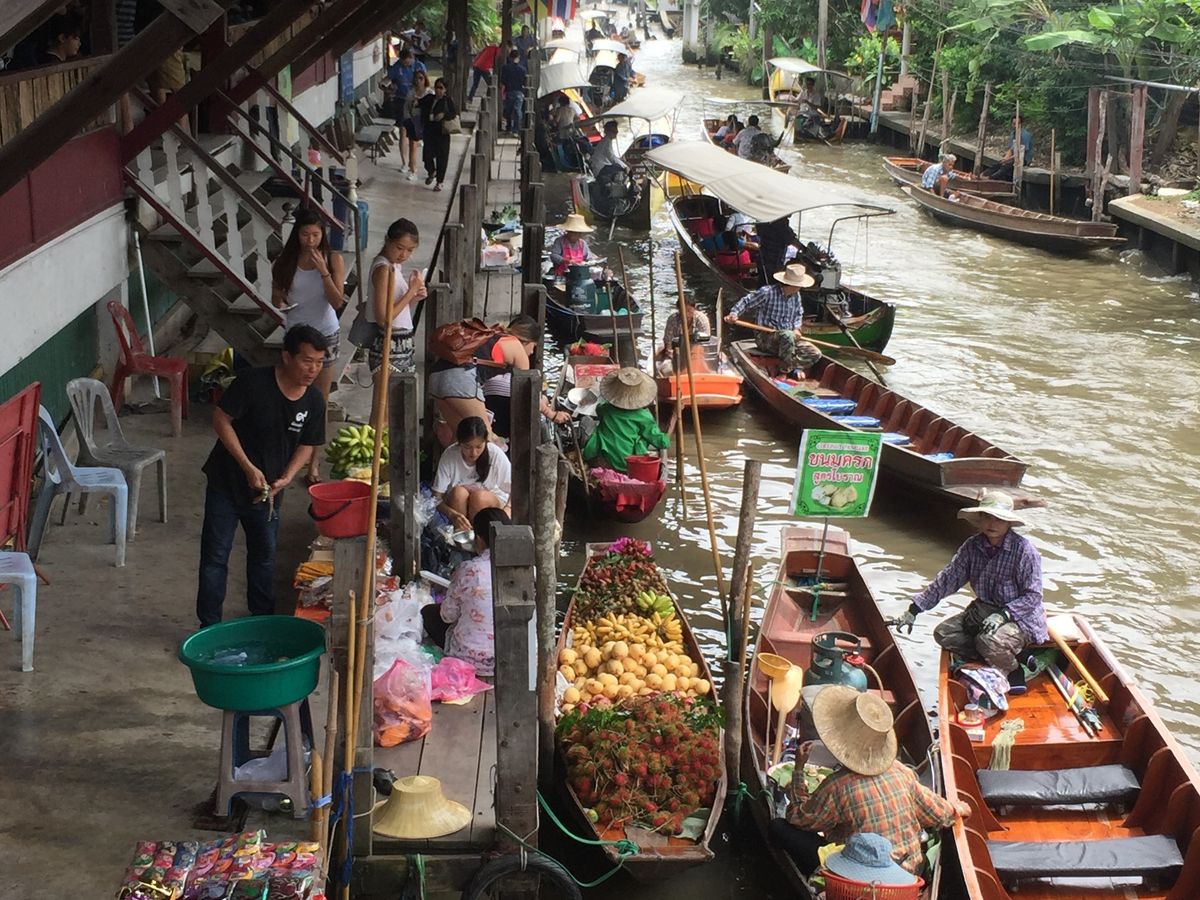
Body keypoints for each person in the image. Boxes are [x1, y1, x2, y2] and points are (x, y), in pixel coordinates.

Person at [196, 326, 327, 627]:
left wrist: (287, 477)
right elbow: (221, 419)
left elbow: (308, 444)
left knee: (264, 558)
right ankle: (209, 625)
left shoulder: (314, 401)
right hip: (226, 484)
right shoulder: (252, 383)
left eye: (319, 362)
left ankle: (262, 620)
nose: (313, 369)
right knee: (215, 556)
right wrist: (247, 466)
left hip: (268, 493)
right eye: (307, 361)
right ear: (287, 357)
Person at [768, 685, 966, 876]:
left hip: (862, 876)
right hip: (909, 871)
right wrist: (959, 808)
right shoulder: (901, 772)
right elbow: (939, 813)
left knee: (779, 827)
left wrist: (799, 770)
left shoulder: (837, 786)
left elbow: (799, 819)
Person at [893, 490, 1046, 690]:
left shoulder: (1024, 551)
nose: (992, 524)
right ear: (980, 519)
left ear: (1008, 523)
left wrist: (1004, 615)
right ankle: (1013, 655)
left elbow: (1033, 596)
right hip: (984, 612)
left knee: (987, 641)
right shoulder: (972, 547)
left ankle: (1014, 670)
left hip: (1021, 617)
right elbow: (947, 580)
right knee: (943, 634)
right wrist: (914, 610)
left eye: (999, 519)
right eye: (987, 517)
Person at [270, 210, 346, 482]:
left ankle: (313, 462)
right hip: (296, 334)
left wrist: (323, 272)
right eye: (305, 234)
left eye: (316, 235)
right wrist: (281, 299)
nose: (310, 240)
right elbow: (276, 297)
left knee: (319, 400)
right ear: (297, 235)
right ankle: (288, 455)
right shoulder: (285, 261)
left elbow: (337, 302)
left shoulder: (333, 259)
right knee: (290, 394)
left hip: (325, 334)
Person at [423, 507, 512, 675]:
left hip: (471, 660)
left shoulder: (469, 569)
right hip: (515, 656)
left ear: (478, 539)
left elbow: (447, 616)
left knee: (428, 613)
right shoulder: (528, 570)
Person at [479, 315, 572, 438]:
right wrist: (552, 414)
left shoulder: (498, 339)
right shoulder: (517, 349)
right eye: (533, 346)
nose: (532, 352)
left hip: (487, 404)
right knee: (541, 423)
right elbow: (529, 393)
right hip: (503, 418)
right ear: (526, 341)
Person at [725, 264, 822, 377]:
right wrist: (734, 314)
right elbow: (746, 301)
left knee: (815, 353)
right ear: (793, 284)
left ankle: (790, 366)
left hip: (788, 340)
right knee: (787, 335)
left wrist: (796, 328)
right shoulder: (768, 292)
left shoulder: (796, 296)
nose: (800, 288)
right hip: (767, 338)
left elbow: (798, 315)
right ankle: (784, 372)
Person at [366, 218, 426, 375]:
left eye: (410, 250)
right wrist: (411, 291)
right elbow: (384, 319)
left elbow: (397, 309)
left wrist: (414, 296)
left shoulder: (394, 266)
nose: (404, 255)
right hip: (389, 343)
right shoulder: (383, 269)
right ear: (387, 241)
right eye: (399, 248)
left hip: (402, 341)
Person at [432, 417, 512, 531]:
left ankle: (481, 533)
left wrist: (508, 509)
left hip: (490, 503)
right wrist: (453, 515)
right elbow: (436, 497)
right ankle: (463, 531)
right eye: (467, 447)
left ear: (486, 442)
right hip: (460, 506)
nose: (474, 453)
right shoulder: (450, 455)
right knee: (458, 493)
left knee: (479, 498)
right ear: (459, 443)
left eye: (479, 447)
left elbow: (515, 490)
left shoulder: (495, 454)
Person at [582, 368, 669, 473]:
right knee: (643, 437)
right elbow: (662, 442)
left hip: (604, 460)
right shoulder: (644, 416)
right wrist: (666, 438)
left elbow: (599, 410)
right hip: (630, 464)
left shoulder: (605, 409)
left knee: (586, 421)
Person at [418, 78, 457, 191]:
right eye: (437, 87)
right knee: (427, 155)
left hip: (442, 132)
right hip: (429, 130)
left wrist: (443, 114)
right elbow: (420, 102)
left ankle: (440, 182)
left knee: (442, 157)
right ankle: (431, 171)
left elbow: (453, 114)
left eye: (441, 88)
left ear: (445, 89)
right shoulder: (430, 98)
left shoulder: (447, 101)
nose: (438, 90)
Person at [656, 296, 711, 374]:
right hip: (676, 353)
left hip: (697, 353)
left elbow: (706, 341)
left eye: (689, 311)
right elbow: (668, 342)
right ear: (678, 310)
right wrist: (673, 356)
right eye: (683, 311)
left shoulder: (702, 319)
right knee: (667, 370)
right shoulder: (672, 319)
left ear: (694, 308)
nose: (686, 314)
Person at [399, 69, 432, 182]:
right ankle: (413, 170)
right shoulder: (411, 93)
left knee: (429, 148)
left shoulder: (429, 93)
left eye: (421, 78)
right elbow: (406, 108)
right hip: (413, 121)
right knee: (412, 145)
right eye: (416, 78)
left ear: (425, 79)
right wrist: (408, 120)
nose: (419, 81)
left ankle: (431, 171)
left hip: (426, 122)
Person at [499, 49, 527, 135]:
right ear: (518, 57)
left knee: (509, 110)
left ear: (510, 57)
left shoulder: (505, 68)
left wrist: (501, 93)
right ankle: (516, 129)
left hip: (509, 91)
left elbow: (502, 82)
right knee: (517, 110)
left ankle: (509, 128)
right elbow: (524, 82)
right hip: (519, 92)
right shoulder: (523, 69)